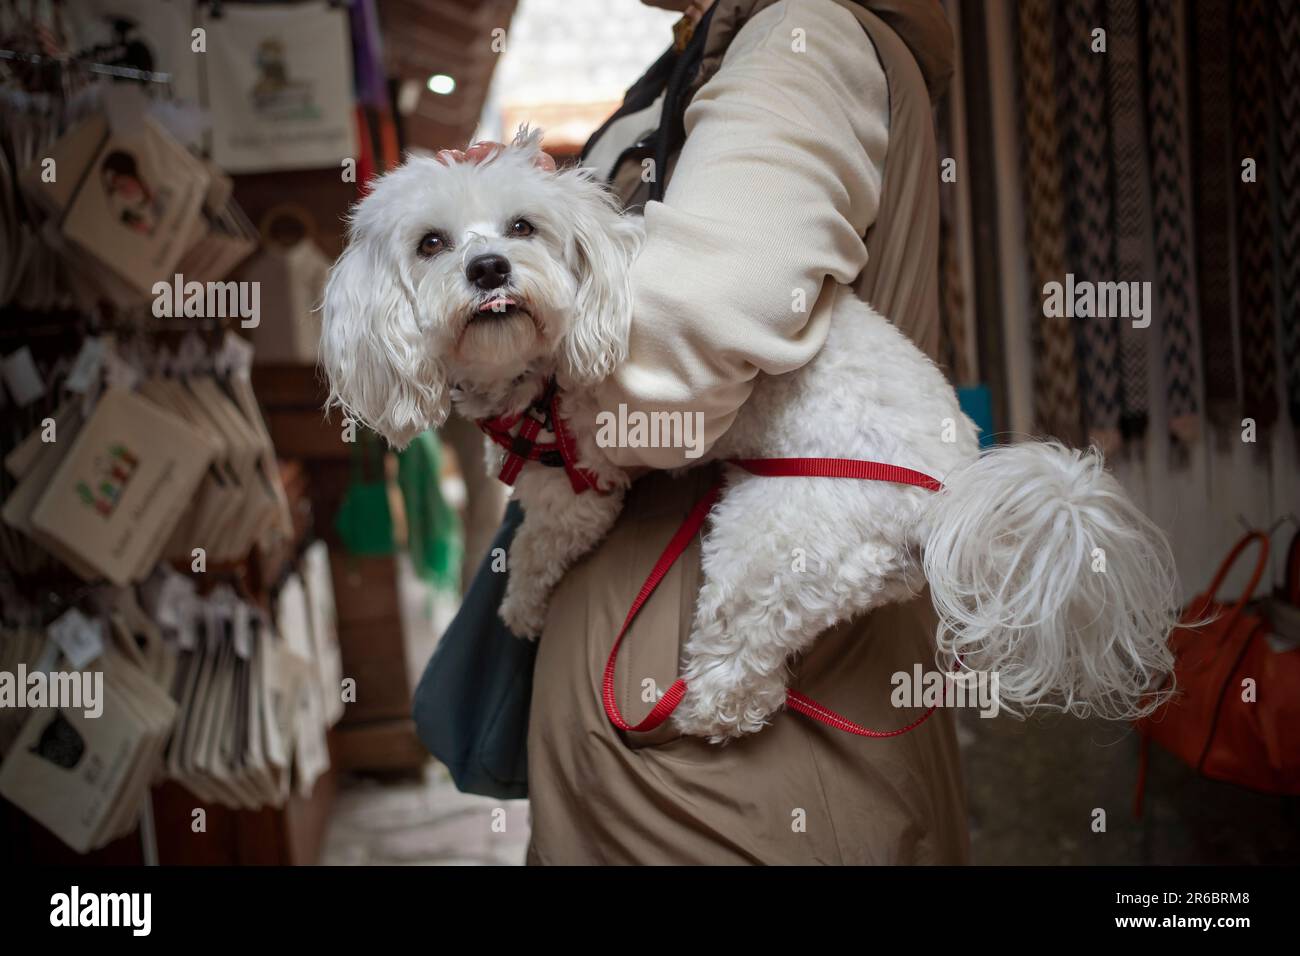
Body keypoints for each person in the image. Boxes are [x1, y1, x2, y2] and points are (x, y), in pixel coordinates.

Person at [463, 0, 967, 864]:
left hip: (730, 784)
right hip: (676, 755)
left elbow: (676, 366)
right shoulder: (702, 57)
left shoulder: (798, 43)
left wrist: (513, 353)